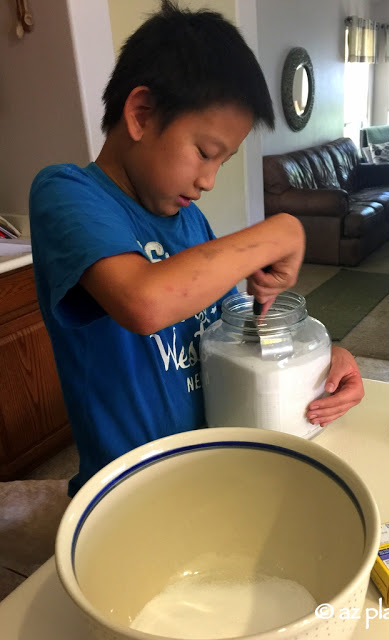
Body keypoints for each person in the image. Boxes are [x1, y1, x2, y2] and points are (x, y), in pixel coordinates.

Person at [29, 0, 363, 497]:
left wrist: (318, 361)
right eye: (205, 153)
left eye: (223, 163)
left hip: (212, 470)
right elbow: (145, 302)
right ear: (141, 114)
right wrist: (282, 229)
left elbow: (235, 334)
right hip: (129, 491)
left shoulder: (190, 222)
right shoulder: (65, 192)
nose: (208, 179)